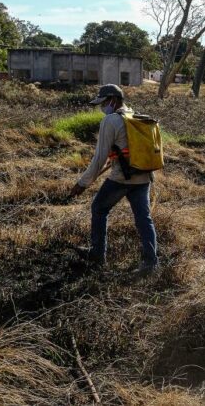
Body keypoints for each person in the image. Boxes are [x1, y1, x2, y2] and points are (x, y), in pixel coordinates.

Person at [70, 84, 158, 274]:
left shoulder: (110, 121)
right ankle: (151, 262)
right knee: (144, 218)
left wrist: (82, 183)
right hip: (143, 177)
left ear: (114, 100)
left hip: (121, 179)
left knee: (99, 209)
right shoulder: (135, 116)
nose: (102, 107)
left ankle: (97, 255)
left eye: (104, 102)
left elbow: (99, 158)